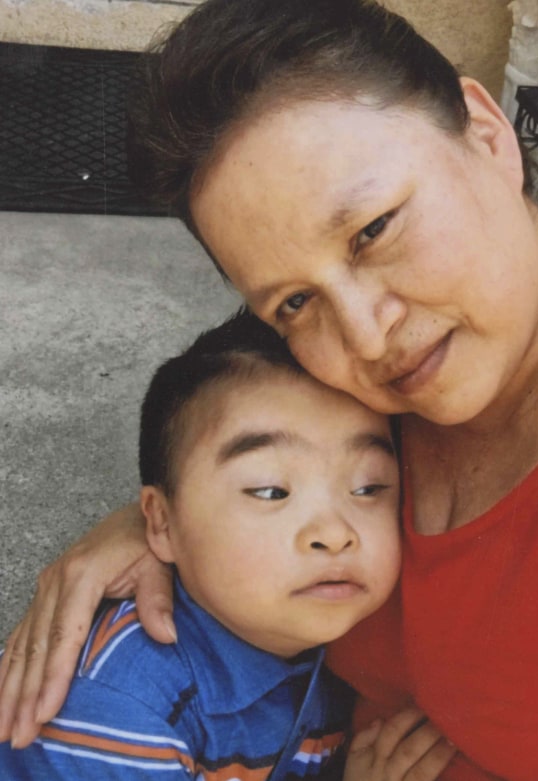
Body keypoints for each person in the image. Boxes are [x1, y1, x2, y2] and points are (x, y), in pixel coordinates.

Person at [2, 0, 538, 778]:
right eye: (294, 303)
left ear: (489, 136)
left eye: (374, 230)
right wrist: (165, 521)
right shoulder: (358, 386)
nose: (366, 337)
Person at [0, 308, 455, 780]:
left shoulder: (343, 633)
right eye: (270, 491)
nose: (336, 533)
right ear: (160, 522)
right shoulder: (121, 705)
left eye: (368, 488)